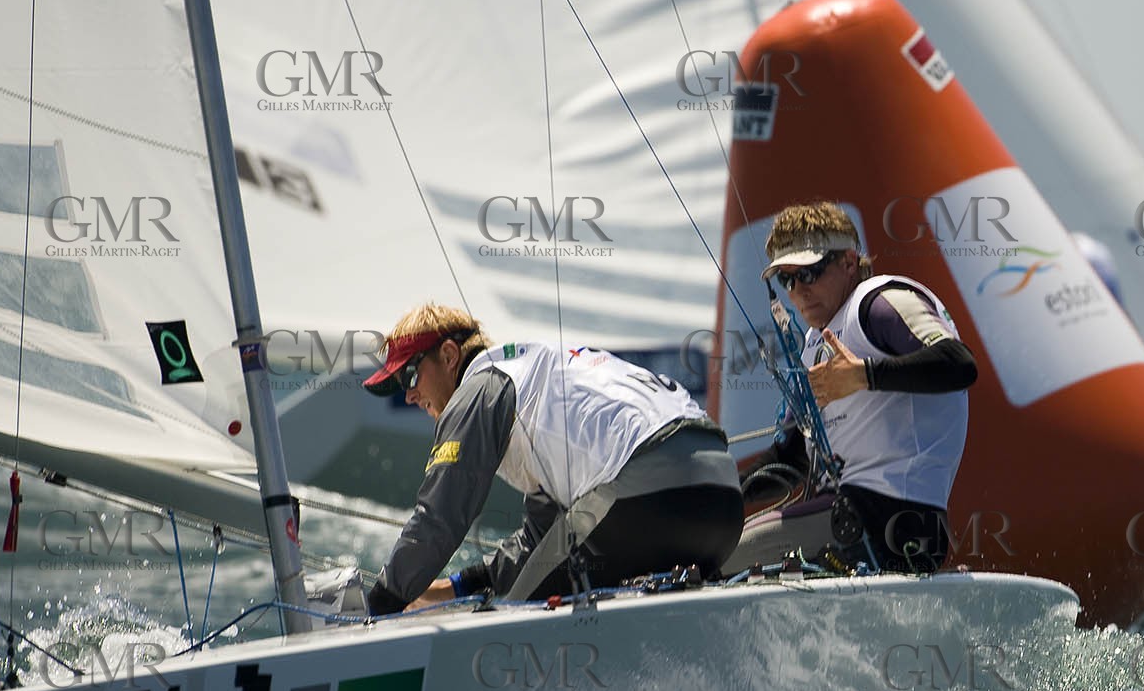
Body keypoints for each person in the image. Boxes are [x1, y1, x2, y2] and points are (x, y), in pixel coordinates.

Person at [360, 304, 742, 615]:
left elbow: (442, 514)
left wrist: (381, 603)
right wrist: (459, 586)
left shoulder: (482, 384)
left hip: (647, 490)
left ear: (448, 355)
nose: (409, 396)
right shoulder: (537, 373)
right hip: (722, 502)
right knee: (557, 577)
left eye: (410, 376)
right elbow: (542, 536)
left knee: (512, 618)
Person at [725, 201, 977, 574]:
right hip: (845, 519)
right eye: (787, 279)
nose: (798, 291)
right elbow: (791, 460)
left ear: (848, 261)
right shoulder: (814, 343)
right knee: (718, 547)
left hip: (890, 513)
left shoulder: (877, 303)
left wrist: (864, 375)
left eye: (809, 273)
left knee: (721, 559)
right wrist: (722, 492)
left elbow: (958, 364)